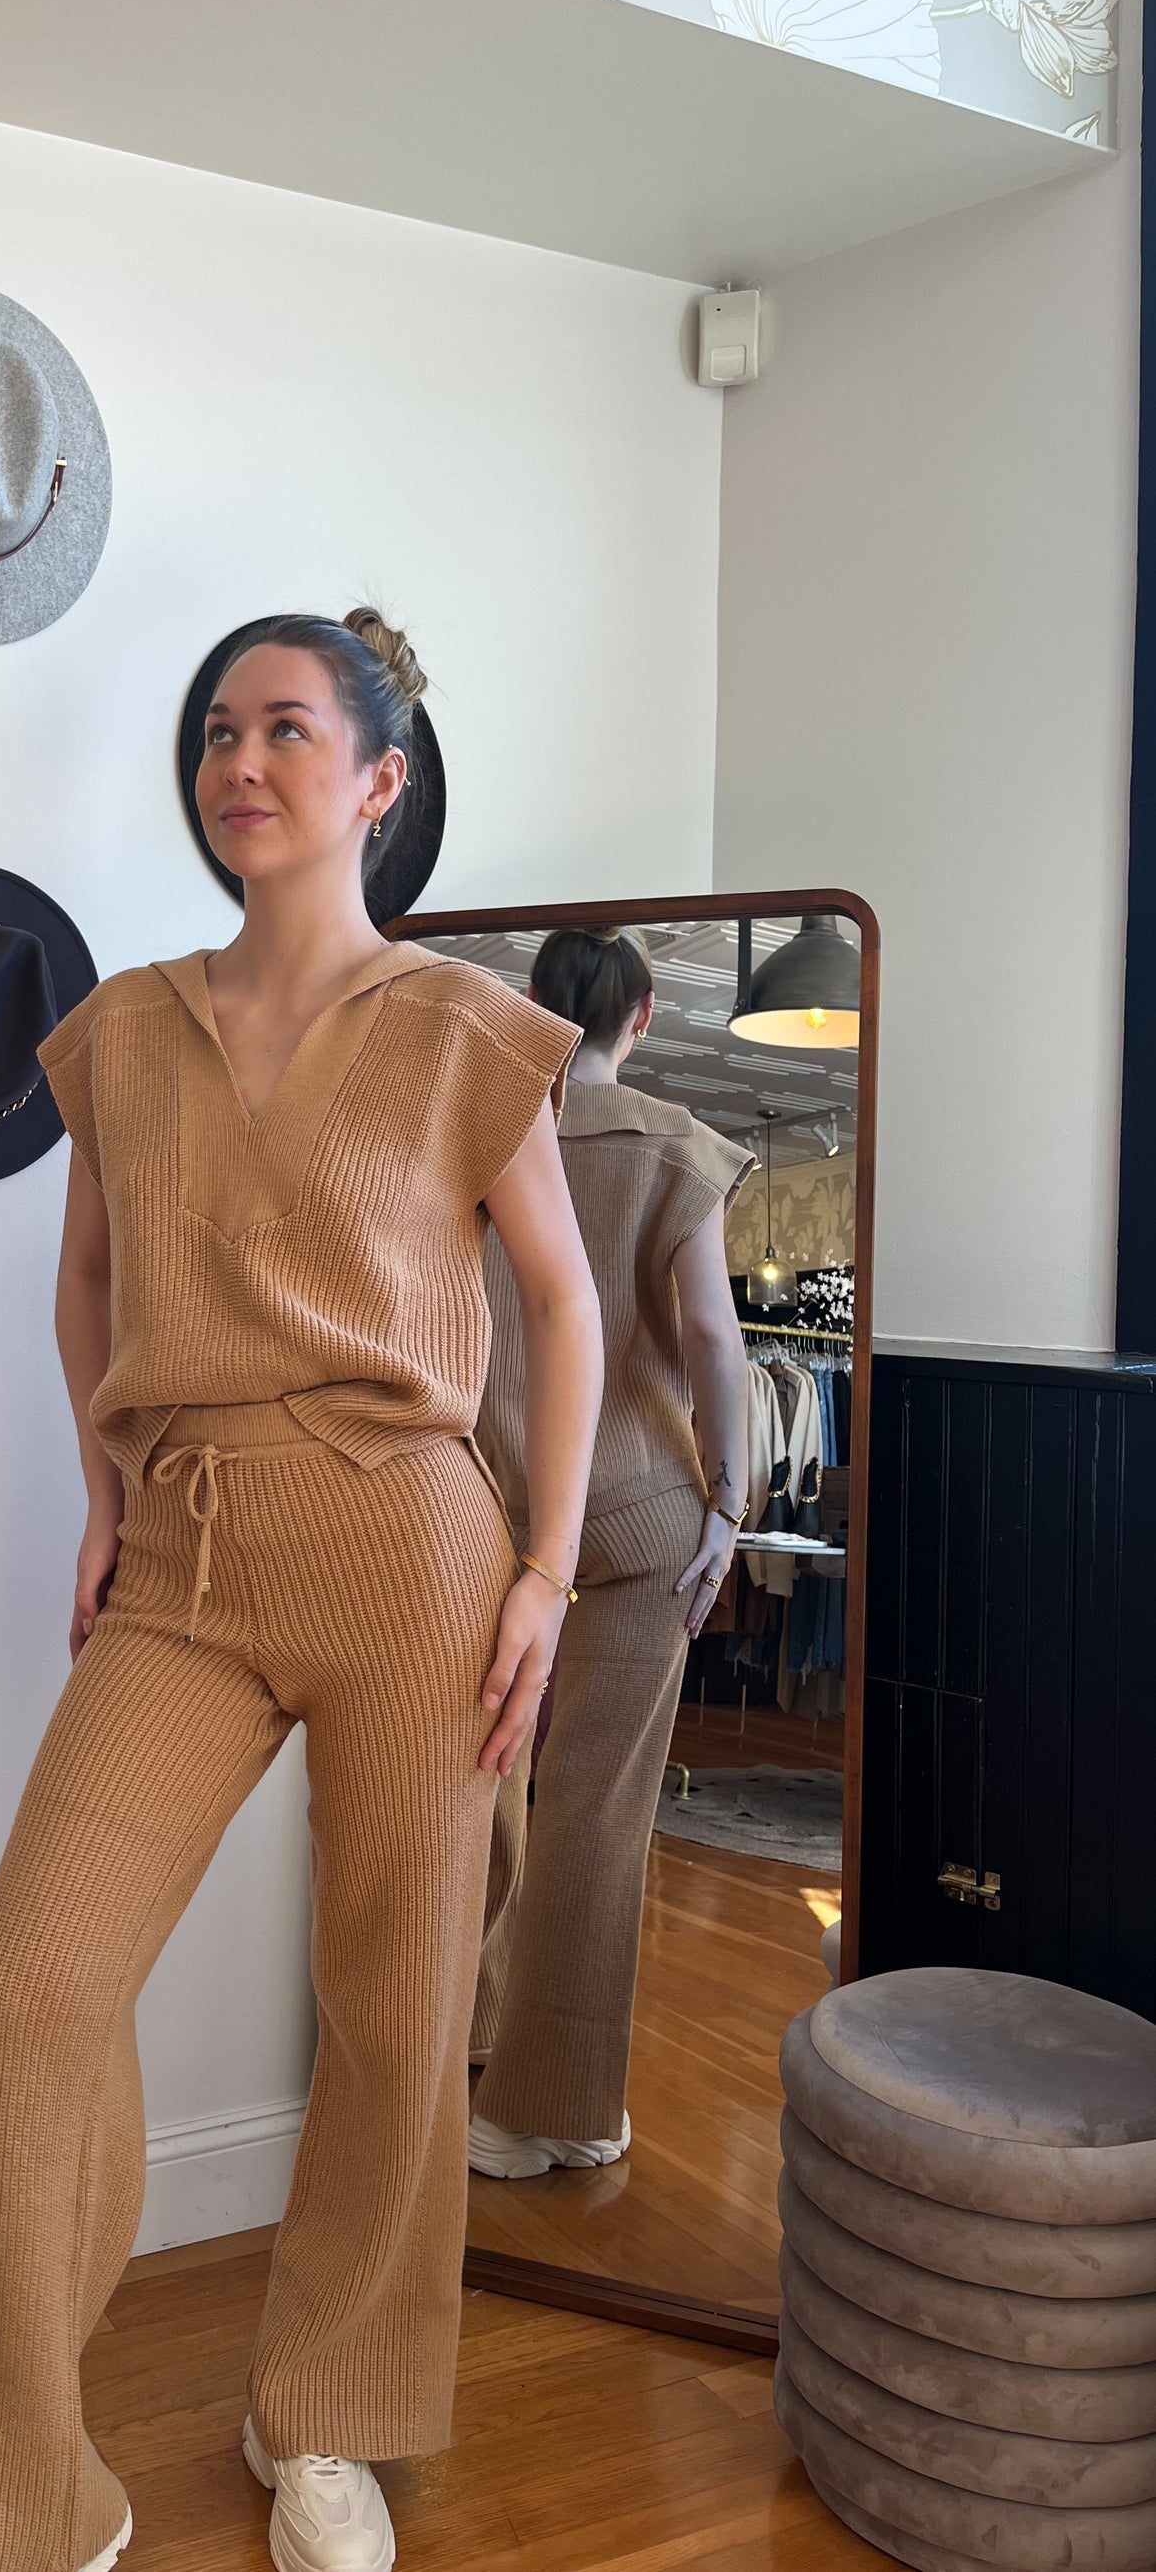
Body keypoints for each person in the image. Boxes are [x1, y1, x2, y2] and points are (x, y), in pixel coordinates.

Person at [0, 610, 604, 2572]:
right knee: (34, 1982)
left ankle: (329, 2417)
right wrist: (101, 1485)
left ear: (378, 782)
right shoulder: (123, 1028)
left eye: (286, 727)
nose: (240, 758)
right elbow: (84, 1281)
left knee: (393, 2005)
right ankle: (10, 2496)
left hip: (412, 1553)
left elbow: (559, 1299)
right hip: (185, 1552)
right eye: (218, 728)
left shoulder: (464, 1028)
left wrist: (546, 1570)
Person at [466, 925, 752, 2180]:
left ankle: (466, 2043)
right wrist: (729, 1506)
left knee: (472, 1791)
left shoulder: (475, 1130)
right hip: (640, 1516)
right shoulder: (671, 1146)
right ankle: (549, 2111)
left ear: (531, 1002)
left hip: (482, 1510)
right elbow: (712, 1340)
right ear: (640, 1015)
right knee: (595, 1811)